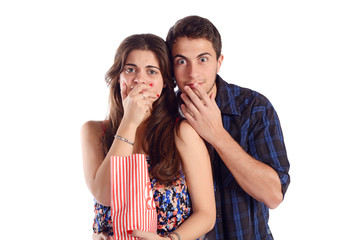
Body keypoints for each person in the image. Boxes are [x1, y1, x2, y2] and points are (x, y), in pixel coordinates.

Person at [166, 16, 291, 240]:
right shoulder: (163, 117)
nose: (193, 73)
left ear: (219, 61)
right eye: (182, 61)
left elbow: (273, 196)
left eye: (203, 59)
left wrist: (216, 134)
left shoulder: (254, 108)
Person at [81, 33, 215, 240]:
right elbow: (106, 195)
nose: (139, 79)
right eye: (130, 69)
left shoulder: (181, 133)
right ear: (119, 77)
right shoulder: (94, 132)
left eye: (151, 71)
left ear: (163, 83)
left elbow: (206, 215)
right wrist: (129, 123)